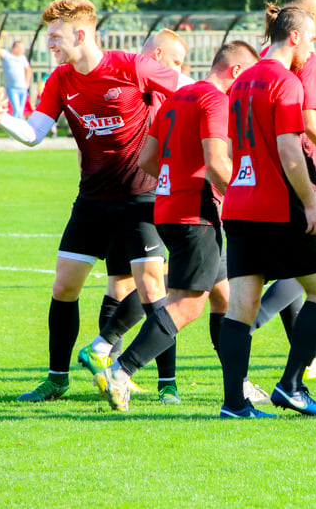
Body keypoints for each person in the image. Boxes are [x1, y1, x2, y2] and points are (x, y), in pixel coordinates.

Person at [0, 0, 182, 402]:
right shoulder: (60, 80)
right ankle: (57, 379)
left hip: (141, 198)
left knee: (151, 289)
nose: (50, 45)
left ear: (80, 34)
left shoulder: (132, 66)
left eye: (55, 36)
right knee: (64, 287)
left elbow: (191, 94)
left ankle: (168, 385)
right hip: (92, 202)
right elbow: (34, 133)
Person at [93, 41, 258, 411]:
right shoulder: (215, 101)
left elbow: (148, 158)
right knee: (188, 305)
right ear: (235, 72)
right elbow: (217, 163)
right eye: (246, 80)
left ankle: (241, 384)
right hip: (194, 213)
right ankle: (120, 371)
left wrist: (177, 180)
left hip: (167, 208)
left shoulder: (178, 97)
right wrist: (243, 197)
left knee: (225, 297)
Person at [218, 5, 316, 419]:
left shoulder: (241, 81)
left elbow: (232, 150)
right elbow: (290, 151)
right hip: (277, 207)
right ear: (296, 38)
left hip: (239, 203)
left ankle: (234, 404)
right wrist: (309, 202)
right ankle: (291, 385)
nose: (312, 51)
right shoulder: (285, 83)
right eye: (313, 41)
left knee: (242, 306)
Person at [78, 28, 196, 405]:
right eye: (176, 62)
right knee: (160, 288)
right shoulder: (144, 91)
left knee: (136, 286)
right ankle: (157, 379)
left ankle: (109, 362)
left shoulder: (140, 86)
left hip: (122, 200)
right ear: (157, 57)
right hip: (145, 200)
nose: (180, 71)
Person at [251, 0, 316, 381]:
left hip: (255, 172)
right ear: (305, 18)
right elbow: (310, 122)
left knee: (290, 262)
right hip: (293, 171)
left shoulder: (265, 53)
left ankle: (303, 360)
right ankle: (247, 323)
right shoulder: (304, 58)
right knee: (311, 271)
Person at [0, 32, 32, 119]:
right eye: (21, 48)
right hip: (12, 88)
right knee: (17, 110)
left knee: (21, 110)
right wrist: (2, 38)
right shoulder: (7, 55)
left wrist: (27, 82)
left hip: (22, 88)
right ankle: (15, 130)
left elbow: (28, 69)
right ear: (15, 48)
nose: (23, 50)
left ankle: (19, 130)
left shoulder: (22, 58)